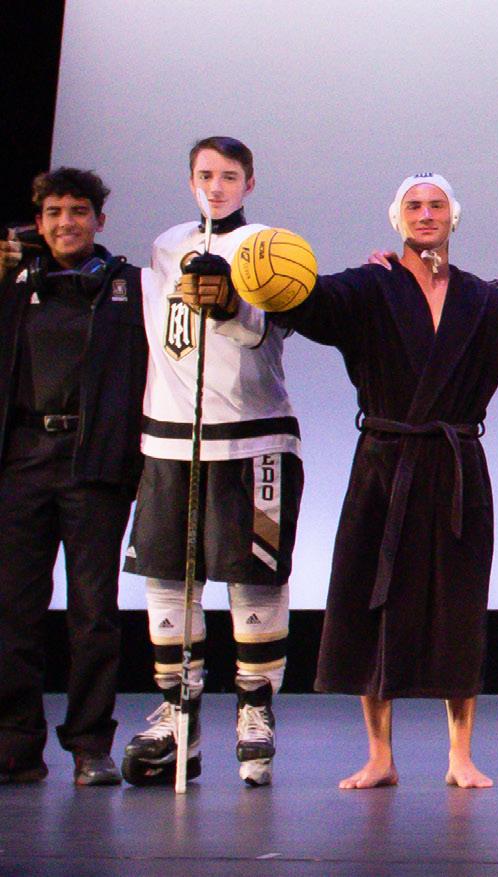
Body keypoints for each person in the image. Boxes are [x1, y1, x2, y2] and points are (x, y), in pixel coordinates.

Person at [278, 174, 498, 790]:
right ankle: (379, 756)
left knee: (459, 607)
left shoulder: (483, 299)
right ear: (397, 218)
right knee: (372, 602)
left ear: (454, 216)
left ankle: (460, 755)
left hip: (454, 466)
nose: (426, 214)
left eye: (436, 205)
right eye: (414, 205)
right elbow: (307, 302)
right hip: (384, 461)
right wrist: (261, 268)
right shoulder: (370, 285)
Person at [121, 138, 305, 788]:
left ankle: (255, 708)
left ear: (249, 182)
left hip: (253, 437)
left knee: (254, 576)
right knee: (168, 576)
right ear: (190, 179)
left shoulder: (269, 246)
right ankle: (179, 713)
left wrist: (230, 304)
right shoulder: (165, 245)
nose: (216, 186)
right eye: (205, 174)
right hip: (170, 439)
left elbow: (273, 325)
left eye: (229, 176)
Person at [0, 167, 146, 787]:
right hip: (23, 461)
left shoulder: (130, 285)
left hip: (96, 465)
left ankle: (90, 746)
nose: (67, 223)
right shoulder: (12, 284)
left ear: (99, 220)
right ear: (37, 223)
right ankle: (15, 747)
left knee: (93, 614)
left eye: (79, 211)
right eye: (55, 212)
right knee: (13, 611)